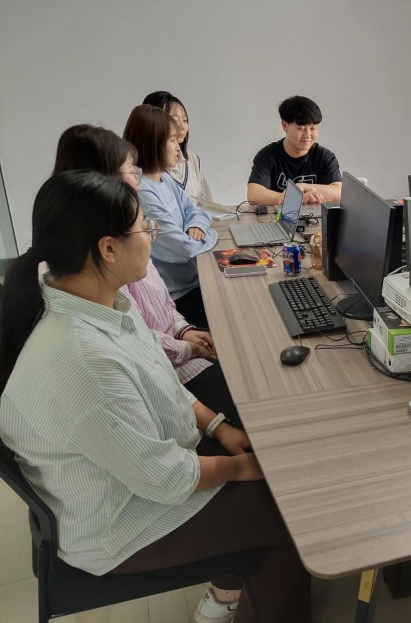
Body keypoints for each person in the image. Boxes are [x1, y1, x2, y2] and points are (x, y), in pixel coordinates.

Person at [0, 171, 310, 622]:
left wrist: (219, 428)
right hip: (121, 523)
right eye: (146, 228)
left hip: (137, 474)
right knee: (291, 514)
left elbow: (162, 381)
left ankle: (239, 588)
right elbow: (163, 478)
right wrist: (244, 468)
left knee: (275, 471)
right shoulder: (84, 360)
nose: (151, 237)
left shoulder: (104, 306)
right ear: (108, 248)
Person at [52, 124, 243, 430]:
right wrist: (188, 348)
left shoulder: (129, 228)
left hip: (173, 356)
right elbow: (139, 342)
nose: (137, 178)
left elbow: (160, 300)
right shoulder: (104, 261)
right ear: (103, 178)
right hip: (168, 372)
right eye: (131, 170)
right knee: (247, 386)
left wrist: (183, 331)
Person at [123, 104, 217, 328]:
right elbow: (184, 248)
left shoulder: (164, 179)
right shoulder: (144, 192)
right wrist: (211, 234)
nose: (178, 147)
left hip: (192, 281)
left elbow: (197, 211)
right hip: (177, 296)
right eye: (172, 140)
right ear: (153, 143)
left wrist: (198, 226)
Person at [247, 95, 342, 206]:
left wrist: (303, 187)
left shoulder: (324, 157)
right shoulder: (267, 156)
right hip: (278, 216)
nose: (308, 135)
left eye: (313, 128)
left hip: (316, 217)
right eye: (300, 129)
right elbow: (254, 195)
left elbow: (339, 193)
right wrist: (294, 198)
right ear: (284, 126)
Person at [143, 90, 213, 206]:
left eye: (185, 120)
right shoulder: (144, 171)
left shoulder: (193, 160)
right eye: (175, 121)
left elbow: (206, 205)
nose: (183, 127)